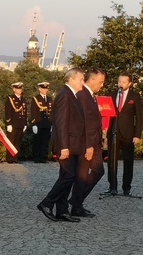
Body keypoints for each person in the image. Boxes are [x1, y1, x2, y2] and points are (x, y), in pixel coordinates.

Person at [37, 68, 85, 223]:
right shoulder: (65, 95)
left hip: (73, 143)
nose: (82, 83)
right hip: (66, 144)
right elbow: (61, 123)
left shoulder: (72, 95)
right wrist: (64, 146)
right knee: (68, 176)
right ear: (71, 79)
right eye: (81, 79)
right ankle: (47, 203)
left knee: (67, 176)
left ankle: (62, 210)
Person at [69, 68, 106, 218]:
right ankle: (76, 204)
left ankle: (77, 201)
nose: (102, 85)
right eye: (101, 82)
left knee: (96, 172)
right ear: (91, 80)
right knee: (82, 175)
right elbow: (84, 123)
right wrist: (88, 144)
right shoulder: (83, 95)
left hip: (94, 141)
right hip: (87, 142)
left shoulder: (90, 95)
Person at [105, 73, 143, 196]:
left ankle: (126, 187)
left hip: (128, 133)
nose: (120, 84)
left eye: (123, 82)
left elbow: (139, 117)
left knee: (128, 161)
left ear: (130, 83)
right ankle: (112, 186)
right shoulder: (112, 95)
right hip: (114, 132)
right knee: (112, 161)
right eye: (119, 81)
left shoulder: (135, 97)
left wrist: (137, 135)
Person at [4, 82, 27, 163]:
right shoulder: (10, 99)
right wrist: (8, 123)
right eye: (18, 88)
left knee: (18, 142)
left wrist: (25, 124)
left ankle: (15, 157)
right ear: (14, 89)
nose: (19, 90)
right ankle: (10, 158)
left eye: (20, 88)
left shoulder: (23, 99)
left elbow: (24, 112)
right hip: (13, 124)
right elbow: (8, 112)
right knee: (11, 141)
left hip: (20, 124)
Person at [30, 82, 52, 163]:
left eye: (46, 88)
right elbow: (33, 111)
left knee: (45, 141)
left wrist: (51, 123)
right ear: (40, 89)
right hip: (39, 123)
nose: (45, 90)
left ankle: (43, 157)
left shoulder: (49, 99)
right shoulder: (36, 98)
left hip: (47, 123)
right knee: (37, 141)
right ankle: (36, 157)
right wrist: (34, 123)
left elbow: (51, 112)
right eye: (43, 88)